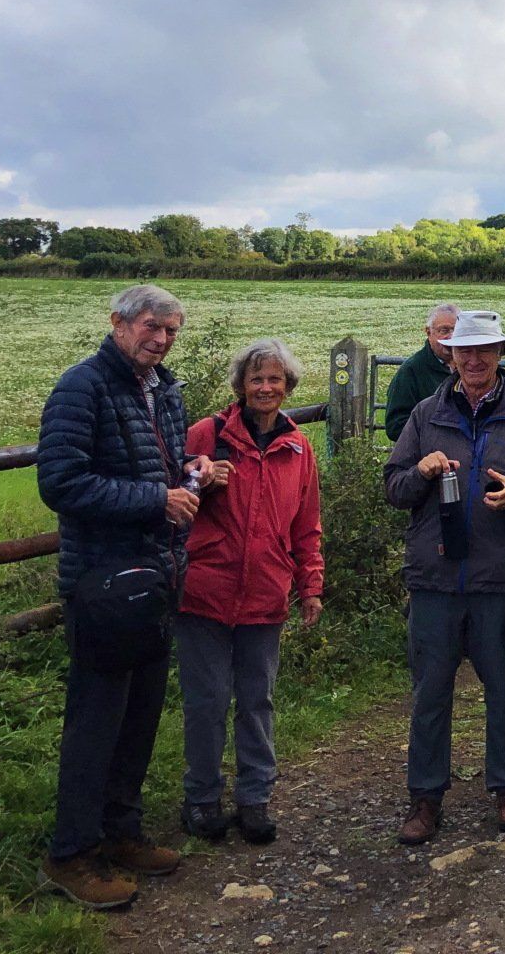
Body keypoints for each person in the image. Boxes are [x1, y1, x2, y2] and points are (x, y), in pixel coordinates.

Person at [36, 284, 221, 910]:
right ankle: (71, 854)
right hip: (103, 584)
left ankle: (121, 833)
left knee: (139, 716)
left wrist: (192, 472)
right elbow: (60, 483)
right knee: (96, 722)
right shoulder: (82, 387)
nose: (161, 338)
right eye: (150, 326)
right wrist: (154, 500)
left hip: (156, 577)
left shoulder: (164, 388)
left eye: (171, 330)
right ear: (117, 323)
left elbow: (159, 473)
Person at [384, 309, 505, 845]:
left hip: (500, 579)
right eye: (465, 350)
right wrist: (419, 472)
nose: (475, 359)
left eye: (485, 349)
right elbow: (393, 487)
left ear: (501, 354)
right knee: (430, 693)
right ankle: (425, 798)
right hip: (434, 579)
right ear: (451, 356)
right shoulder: (424, 415)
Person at [177, 337, 324, 846]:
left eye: (275, 380)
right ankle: (200, 798)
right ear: (240, 385)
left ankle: (254, 799)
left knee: (257, 700)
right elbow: (171, 502)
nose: (266, 387)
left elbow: (307, 524)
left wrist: (310, 584)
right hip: (204, 592)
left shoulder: (298, 447)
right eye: (257, 379)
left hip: (265, 592)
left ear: (288, 388)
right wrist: (201, 482)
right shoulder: (207, 433)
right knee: (207, 700)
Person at [384, 302, 460, 440]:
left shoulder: (470, 367)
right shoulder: (411, 371)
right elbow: (395, 426)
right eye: (444, 330)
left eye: (456, 330)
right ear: (428, 332)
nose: (451, 337)